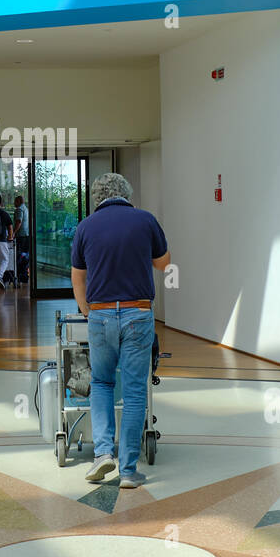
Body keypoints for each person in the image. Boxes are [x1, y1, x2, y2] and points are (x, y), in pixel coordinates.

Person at [70, 172, 169, 489]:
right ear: (127, 194)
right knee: (136, 388)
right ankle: (128, 470)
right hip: (138, 312)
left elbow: (78, 277)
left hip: (99, 314)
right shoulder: (145, 220)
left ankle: (102, 455)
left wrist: (88, 312)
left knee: (101, 382)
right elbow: (164, 263)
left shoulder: (85, 226)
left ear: (97, 198)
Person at [12, 195, 30, 285]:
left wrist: (13, 232)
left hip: (21, 236)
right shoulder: (26, 209)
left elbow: (18, 221)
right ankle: (25, 276)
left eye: (15, 201)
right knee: (25, 256)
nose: (14, 203)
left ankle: (19, 275)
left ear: (19, 201)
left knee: (19, 256)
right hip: (27, 235)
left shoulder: (19, 209)